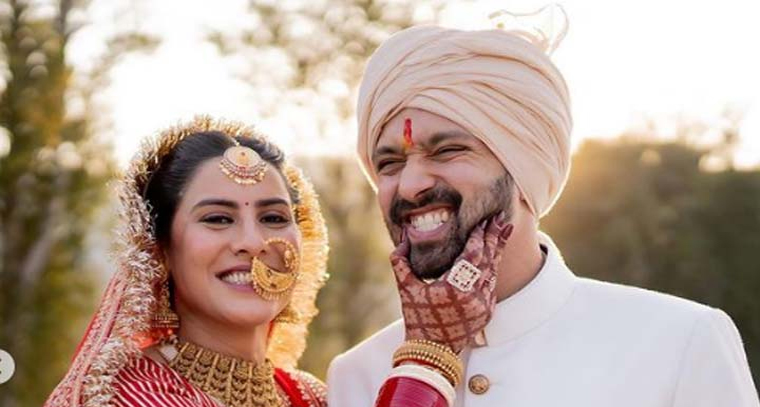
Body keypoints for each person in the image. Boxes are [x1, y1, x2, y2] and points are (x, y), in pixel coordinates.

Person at [327, 9, 760, 407]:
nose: (410, 185)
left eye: (447, 151)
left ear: (523, 166)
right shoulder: (357, 376)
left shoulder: (677, 344)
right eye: (389, 163)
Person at [44, 116, 329, 407]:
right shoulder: (128, 399)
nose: (253, 243)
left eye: (273, 218)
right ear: (160, 250)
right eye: (218, 219)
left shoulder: (316, 397)